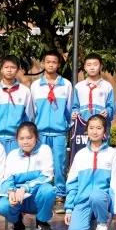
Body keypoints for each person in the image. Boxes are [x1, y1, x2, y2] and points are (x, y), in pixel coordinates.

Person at [0, 121, 57, 230]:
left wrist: (25, 187)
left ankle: (42, 221)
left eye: (29, 138)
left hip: (35, 196)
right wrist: (10, 191)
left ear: (36, 137)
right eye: (21, 138)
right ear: (17, 139)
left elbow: (47, 176)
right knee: (2, 206)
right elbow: (6, 179)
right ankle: (17, 220)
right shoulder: (12, 155)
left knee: (48, 190)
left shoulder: (44, 150)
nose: (25, 142)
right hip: (18, 197)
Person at [64, 114, 116, 230]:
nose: (95, 132)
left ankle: (102, 222)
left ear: (105, 131)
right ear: (86, 130)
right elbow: (72, 183)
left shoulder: (112, 154)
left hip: (102, 199)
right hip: (83, 201)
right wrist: (69, 208)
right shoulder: (80, 154)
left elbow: (115, 183)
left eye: (99, 128)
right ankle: (91, 221)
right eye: (91, 128)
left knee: (96, 196)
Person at [30, 50, 72, 213]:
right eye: (48, 62)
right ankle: (41, 194)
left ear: (58, 64)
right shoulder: (35, 86)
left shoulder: (66, 85)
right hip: (40, 133)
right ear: (43, 63)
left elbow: (69, 109)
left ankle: (60, 196)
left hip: (59, 133)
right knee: (40, 164)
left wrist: (65, 125)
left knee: (59, 165)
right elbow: (32, 111)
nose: (51, 65)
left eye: (54, 62)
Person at [0, 55, 34, 153]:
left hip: (16, 139)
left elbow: (29, 117)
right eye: (6, 67)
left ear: (17, 70)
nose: (9, 70)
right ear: (1, 69)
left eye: (13, 67)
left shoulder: (25, 91)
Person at [72, 53, 114, 125]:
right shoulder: (78, 87)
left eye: (95, 65)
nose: (92, 68)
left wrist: (107, 111)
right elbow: (74, 106)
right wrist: (74, 113)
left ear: (101, 67)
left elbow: (111, 107)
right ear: (85, 67)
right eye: (89, 65)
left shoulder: (107, 86)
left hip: (101, 125)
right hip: (82, 124)